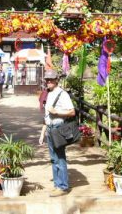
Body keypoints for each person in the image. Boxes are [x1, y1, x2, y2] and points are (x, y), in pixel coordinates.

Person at [39, 69, 75, 197]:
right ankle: (57, 184)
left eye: (50, 80)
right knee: (54, 159)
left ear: (56, 80)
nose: (48, 82)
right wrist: (42, 133)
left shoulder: (62, 94)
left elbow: (72, 112)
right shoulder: (48, 93)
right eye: (46, 80)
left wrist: (57, 113)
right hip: (49, 129)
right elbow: (47, 115)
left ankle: (63, 186)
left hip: (58, 128)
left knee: (60, 158)